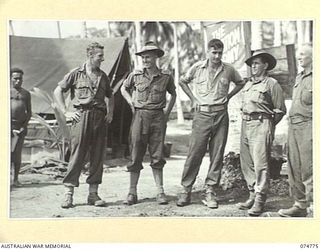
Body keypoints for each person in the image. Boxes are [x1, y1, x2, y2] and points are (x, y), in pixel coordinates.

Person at [176, 38, 245, 208]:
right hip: (202, 115)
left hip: (221, 114)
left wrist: (228, 97)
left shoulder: (228, 69)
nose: (217, 56)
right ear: (207, 52)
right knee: (195, 152)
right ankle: (186, 189)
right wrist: (193, 99)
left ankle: (210, 190)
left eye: (220, 53)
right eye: (214, 52)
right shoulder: (198, 68)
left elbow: (241, 82)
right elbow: (182, 81)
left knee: (217, 154)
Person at [54, 42, 114, 209]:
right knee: (77, 154)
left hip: (99, 118)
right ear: (90, 56)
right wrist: (66, 112)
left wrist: (110, 112)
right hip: (81, 117)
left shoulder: (104, 76)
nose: (103, 59)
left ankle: (93, 194)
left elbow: (111, 94)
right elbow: (58, 91)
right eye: (99, 56)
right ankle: (68, 194)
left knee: (97, 156)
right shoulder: (76, 73)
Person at [121, 41, 176, 205]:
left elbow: (173, 94)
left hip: (158, 117)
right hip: (140, 116)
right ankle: (132, 192)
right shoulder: (135, 75)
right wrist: (131, 102)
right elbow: (124, 88)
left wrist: (166, 114)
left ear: (156, 58)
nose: (145, 60)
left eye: (148, 57)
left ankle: (160, 191)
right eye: (143, 57)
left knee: (157, 155)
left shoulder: (166, 77)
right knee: (136, 153)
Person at [237, 51, 286, 216]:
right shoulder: (249, 84)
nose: (253, 66)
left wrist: (267, 126)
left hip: (261, 124)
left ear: (265, 65)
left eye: (257, 63)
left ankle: (260, 199)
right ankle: (252, 193)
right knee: (247, 162)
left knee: (260, 164)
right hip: (246, 124)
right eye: (252, 64)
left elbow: (280, 110)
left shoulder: (272, 84)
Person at [278, 44, 313, 217]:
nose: (299, 57)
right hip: (294, 125)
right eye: (298, 54)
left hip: (309, 126)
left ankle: (314, 207)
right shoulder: (299, 77)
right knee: (294, 167)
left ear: (312, 57)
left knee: (309, 168)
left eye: (303, 54)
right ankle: (300, 205)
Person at [10, 68, 32, 187]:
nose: (18, 81)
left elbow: (29, 112)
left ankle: (15, 179)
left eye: (20, 78)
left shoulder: (26, 94)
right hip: (6, 126)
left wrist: (24, 126)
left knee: (17, 154)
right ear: (10, 79)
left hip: (20, 127)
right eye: (15, 78)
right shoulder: (5, 91)